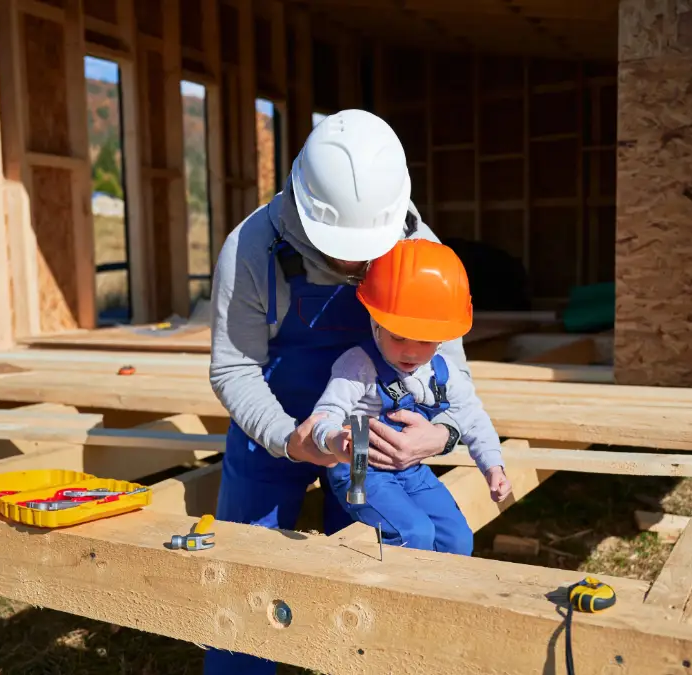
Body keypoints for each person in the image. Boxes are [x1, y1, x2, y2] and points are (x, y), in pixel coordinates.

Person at [206, 109, 471, 674]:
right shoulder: (253, 248)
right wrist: (287, 438)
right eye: (342, 252)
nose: (357, 264)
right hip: (273, 429)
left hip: (363, 441)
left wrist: (439, 435)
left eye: (368, 252)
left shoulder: (417, 244)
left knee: (361, 562)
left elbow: (450, 365)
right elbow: (233, 370)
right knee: (245, 580)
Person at [310, 239, 512, 554]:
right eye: (399, 337)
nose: (411, 352)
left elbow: (472, 417)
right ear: (375, 322)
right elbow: (323, 416)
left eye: (426, 341)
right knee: (413, 533)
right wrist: (335, 440)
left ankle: (440, 598)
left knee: (455, 538)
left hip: (411, 469)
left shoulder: (441, 373)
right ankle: (395, 600)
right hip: (360, 469)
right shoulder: (357, 367)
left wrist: (493, 467)